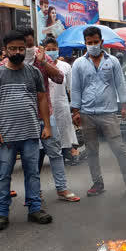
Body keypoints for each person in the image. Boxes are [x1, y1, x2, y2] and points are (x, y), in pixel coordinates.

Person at [0, 30, 52, 231]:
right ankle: (1, 213)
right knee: (3, 174)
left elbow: (42, 99)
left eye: (21, 48)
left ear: (26, 50)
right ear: (4, 50)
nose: (17, 52)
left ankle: (34, 209)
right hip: (5, 135)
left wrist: (47, 125)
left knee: (32, 173)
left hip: (31, 133)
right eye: (13, 48)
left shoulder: (34, 73)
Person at [4, 28, 77, 202]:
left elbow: (59, 78)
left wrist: (43, 62)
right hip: (22, 118)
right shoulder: (8, 62)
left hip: (45, 115)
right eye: (24, 45)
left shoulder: (42, 56)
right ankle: (35, 192)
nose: (27, 49)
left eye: (30, 45)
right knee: (30, 157)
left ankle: (61, 188)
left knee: (55, 152)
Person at [70, 26, 126, 198]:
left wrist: (124, 107)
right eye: (89, 42)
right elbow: (76, 89)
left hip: (109, 113)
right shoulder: (78, 64)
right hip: (87, 114)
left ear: (101, 42)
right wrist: (76, 112)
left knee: (119, 149)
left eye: (95, 42)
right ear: (85, 43)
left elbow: (120, 85)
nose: (93, 45)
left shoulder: (113, 61)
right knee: (92, 151)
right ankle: (97, 184)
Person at [43, 37, 81, 165]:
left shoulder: (65, 66)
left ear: (58, 50)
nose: (52, 52)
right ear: (43, 50)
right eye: (49, 49)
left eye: (54, 49)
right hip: (45, 106)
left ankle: (65, 155)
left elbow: (71, 88)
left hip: (62, 105)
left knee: (64, 132)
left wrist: (75, 109)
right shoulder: (40, 66)